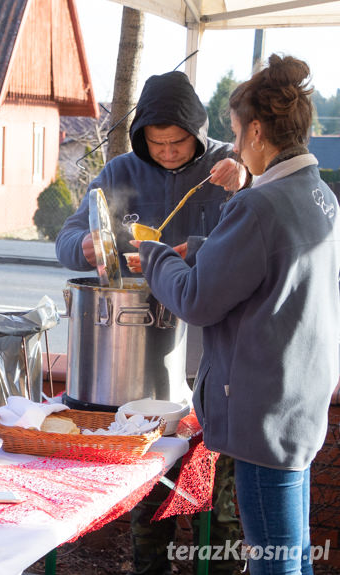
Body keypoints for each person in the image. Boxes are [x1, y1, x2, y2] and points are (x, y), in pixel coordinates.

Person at [134, 53, 339, 575]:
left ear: (255, 131)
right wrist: (203, 247)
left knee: (274, 558)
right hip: (300, 397)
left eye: (235, 129)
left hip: (261, 407)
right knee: (292, 552)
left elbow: (197, 301)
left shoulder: (258, 205)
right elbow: (271, 263)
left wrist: (157, 257)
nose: (236, 139)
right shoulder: (318, 195)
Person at [55, 70, 246, 575]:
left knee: (218, 498)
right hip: (139, 367)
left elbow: (260, 233)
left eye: (178, 142)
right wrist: (85, 246)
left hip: (214, 359)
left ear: (199, 134)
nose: (166, 152)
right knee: (148, 492)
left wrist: (245, 180)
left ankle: (223, 568)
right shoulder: (120, 172)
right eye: (156, 143)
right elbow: (67, 237)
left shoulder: (230, 164)